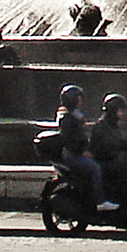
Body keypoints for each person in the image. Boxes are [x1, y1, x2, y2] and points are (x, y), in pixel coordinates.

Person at [51, 84, 117, 212]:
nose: (81, 101)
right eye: (79, 98)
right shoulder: (67, 119)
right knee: (94, 168)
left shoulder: (73, 116)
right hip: (71, 155)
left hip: (75, 153)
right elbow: (70, 140)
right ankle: (100, 201)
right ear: (73, 100)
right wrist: (83, 152)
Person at [89, 92, 127, 211]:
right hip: (103, 161)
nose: (122, 113)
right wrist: (120, 147)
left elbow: (120, 141)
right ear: (113, 111)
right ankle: (124, 203)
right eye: (120, 110)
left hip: (110, 159)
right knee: (125, 169)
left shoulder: (113, 125)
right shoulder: (101, 126)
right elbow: (108, 144)